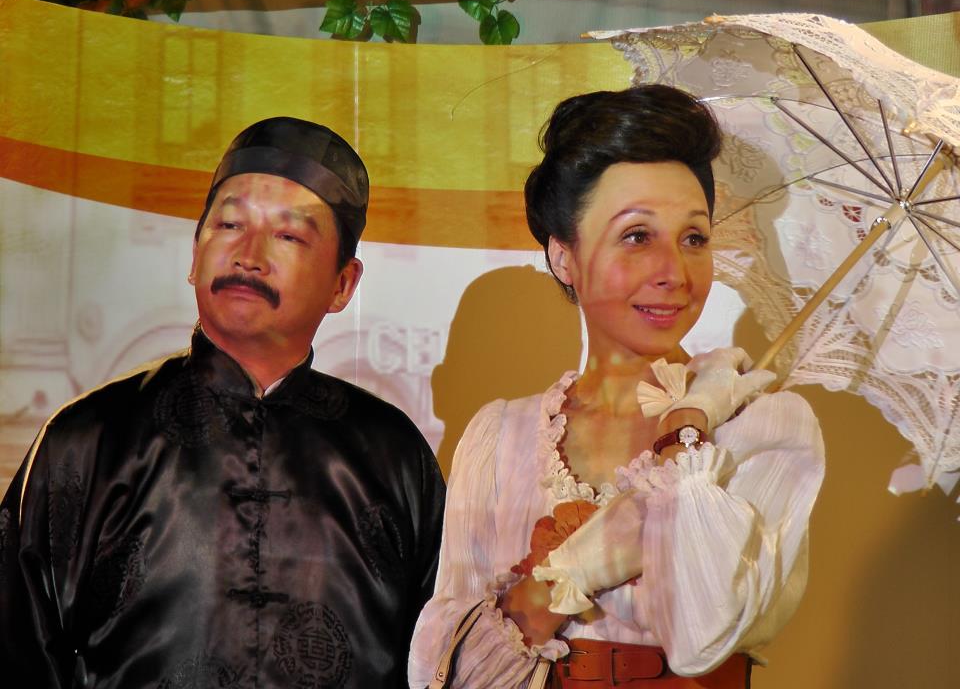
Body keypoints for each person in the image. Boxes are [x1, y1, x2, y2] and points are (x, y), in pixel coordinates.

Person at [0, 117, 445, 689]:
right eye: (229, 224)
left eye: (289, 236)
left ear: (343, 284)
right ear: (194, 255)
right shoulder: (88, 438)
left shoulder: (394, 456)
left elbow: (440, 658)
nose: (248, 256)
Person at [408, 86, 825, 688]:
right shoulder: (500, 437)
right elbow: (446, 674)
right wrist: (570, 573)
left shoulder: (764, 426)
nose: (674, 273)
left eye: (694, 238)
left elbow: (704, 635)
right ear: (564, 257)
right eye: (637, 236)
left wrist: (686, 433)